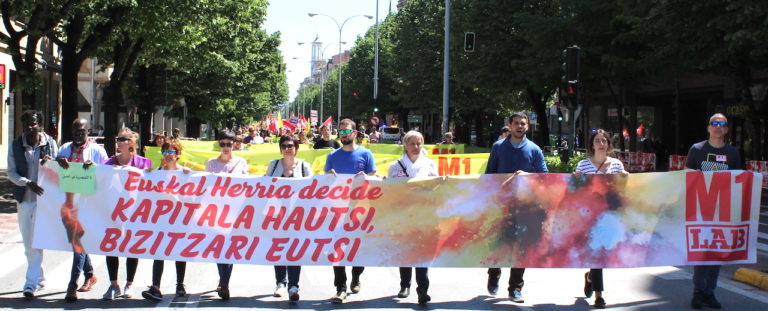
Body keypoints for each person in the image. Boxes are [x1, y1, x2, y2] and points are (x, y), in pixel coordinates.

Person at [485, 112, 547, 303]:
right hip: (501, 204)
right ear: (510, 126)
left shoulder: (534, 149)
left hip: (525, 206)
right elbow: (489, 175)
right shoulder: (498, 147)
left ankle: (515, 288)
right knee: (500, 243)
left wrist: (527, 175)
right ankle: (494, 273)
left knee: (522, 247)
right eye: (516, 123)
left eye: (523, 124)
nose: (520, 126)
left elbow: (545, 176)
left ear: (527, 127)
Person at [685, 113, 740, 310]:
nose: (718, 126)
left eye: (722, 124)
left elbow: (738, 181)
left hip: (723, 211)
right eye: (714, 123)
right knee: (702, 253)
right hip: (701, 210)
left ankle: (710, 292)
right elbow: (688, 177)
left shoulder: (733, 152)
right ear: (708, 127)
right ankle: (698, 292)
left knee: (717, 252)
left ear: (726, 129)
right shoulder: (697, 149)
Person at [573, 129, 628, 309]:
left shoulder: (617, 165)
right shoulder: (583, 165)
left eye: (604, 140)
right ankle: (599, 295)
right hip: (590, 215)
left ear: (608, 144)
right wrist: (576, 180)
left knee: (603, 253)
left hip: (610, 215)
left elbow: (622, 189)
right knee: (597, 253)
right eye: (597, 140)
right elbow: (575, 190)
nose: (601, 144)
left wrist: (625, 179)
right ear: (592, 144)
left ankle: (590, 277)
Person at [7, 110, 59, 300]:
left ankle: (30, 283)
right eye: (27, 124)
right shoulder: (16, 145)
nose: (30, 127)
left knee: (36, 242)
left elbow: (58, 168)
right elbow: (11, 172)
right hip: (24, 199)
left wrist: (52, 162)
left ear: (40, 124)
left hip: (44, 201)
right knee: (29, 242)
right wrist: (26, 182)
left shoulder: (50, 143)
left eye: (34, 123)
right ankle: (40, 274)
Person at [56, 118, 108, 302]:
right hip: (68, 203)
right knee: (78, 242)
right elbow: (52, 171)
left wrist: (95, 168)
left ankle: (72, 285)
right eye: (76, 130)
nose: (79, 134)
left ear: (88, 131)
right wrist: (56, 162)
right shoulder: (64, 149)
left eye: (82, 131)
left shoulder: (97, 151)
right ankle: (90, 274)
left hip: (88, 205)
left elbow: (107, 173)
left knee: (78, 242)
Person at [325, 119, 377, 303]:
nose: (344, 135)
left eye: (347, 131)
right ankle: (341, 288)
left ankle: (356, 274)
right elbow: (325, 182)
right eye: (340, 132)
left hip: (360, 208)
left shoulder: (366, 154)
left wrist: (367, 177)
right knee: (337, 249)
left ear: (355, 133)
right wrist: (328, 178)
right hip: (337, 210)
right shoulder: (332, 156)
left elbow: (374, 178)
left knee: (358, 248)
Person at [387, 130, 437, 305]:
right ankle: (405, 284)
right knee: (405, 250)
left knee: (422, 252)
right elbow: (390, 191)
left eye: (419, 143)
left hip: (424, 214)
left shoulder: (430, 165)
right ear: (405, 145)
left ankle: (423, 289)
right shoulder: (395, 166)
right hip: (403, 215)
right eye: (412, 143)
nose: (416, 147)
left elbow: (436, 189)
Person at [102, 128, 152, 300]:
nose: (118, 141)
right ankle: (113, 284)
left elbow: (153, 186)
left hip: (134, 213)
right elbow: (97, 180)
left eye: (121, 139)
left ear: (131, 143)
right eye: (117, 138)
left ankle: (129, 283)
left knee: (132, 247)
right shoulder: (107, 163)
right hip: (112, 212)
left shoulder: (144, 164)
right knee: (111, 247)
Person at [140, 141, 191, 301]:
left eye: (171, 152)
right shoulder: (157, 172)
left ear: (178, 155)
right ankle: (156, 286)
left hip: (178, 219)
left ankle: (180, 284)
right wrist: (147, 174)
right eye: (165, 152)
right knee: (158, 252)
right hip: (161, 219)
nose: (168, 155)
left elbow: (191, 196)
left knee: (179, 252)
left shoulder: (185, 173)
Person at [265, 135, 312, 302]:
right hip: (277, 215)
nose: (287, 148)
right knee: (278, 249)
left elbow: (312, 189)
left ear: (296, 148)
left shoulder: (305, 166)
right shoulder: (274, 165)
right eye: (284, 146)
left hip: (297, 216)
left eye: (291, 145)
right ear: (280, 148)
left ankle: (294, 285)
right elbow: (264, 186)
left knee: (294, 250)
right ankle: (280, 283)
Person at [205, 130, 249, 300]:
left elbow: (247, 185)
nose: (225, 147)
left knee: (228, 248)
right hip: (216, 211)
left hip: (234, 211)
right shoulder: (211, 163)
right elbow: (206, 185)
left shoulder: (241, 162)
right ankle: (223, 281)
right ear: (218, 144)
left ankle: (224, 282)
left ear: (234, 145)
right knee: (219, 247)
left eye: (228, 144)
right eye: (222, 144)